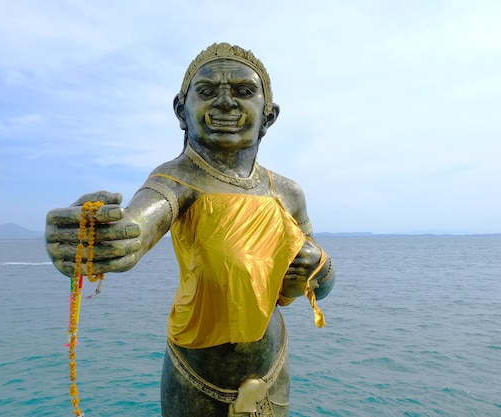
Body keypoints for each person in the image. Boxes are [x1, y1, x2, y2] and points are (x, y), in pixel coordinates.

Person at [45, 42, 336, 417]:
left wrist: (317, 271)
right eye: (208, 91)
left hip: (272, 369)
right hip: (197, 378)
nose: (226, 103)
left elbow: (317, 278)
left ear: (269, 114)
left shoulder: (287, 192)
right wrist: (102, 237)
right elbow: (139, 224)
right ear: (181, 111)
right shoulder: (178, 179)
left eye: (243, 92)